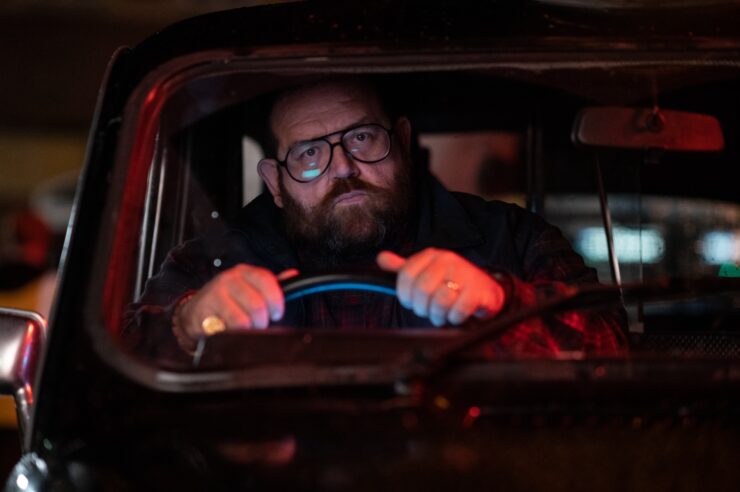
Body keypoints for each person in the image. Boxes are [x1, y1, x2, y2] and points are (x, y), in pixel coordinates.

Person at [124, 78, 626, 362]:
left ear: (402, 144)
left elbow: (612, 346)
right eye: (309, 153)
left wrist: (501, 302)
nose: (343, 166)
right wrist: (189, 323)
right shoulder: (215, 258)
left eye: (362, 138)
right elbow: (117, 358)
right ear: (276, 183)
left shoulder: (509, 238)